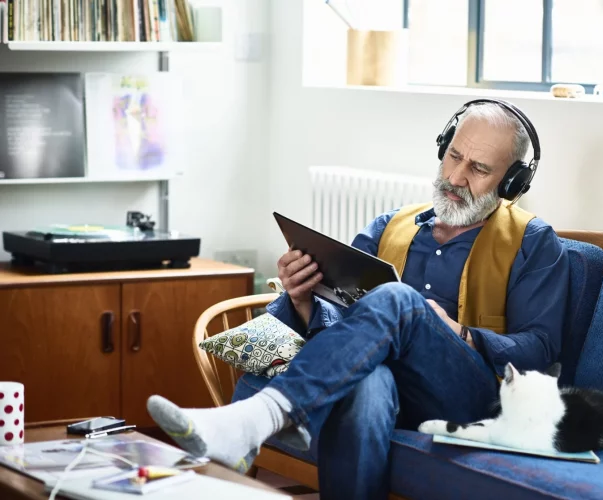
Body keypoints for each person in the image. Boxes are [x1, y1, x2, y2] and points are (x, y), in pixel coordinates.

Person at [146, 99, 571, 499]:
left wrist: (459, 331)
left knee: (399, 300)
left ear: (511, 183)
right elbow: (345, 321)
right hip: (384, 384)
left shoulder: (534, 243)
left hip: (469, 394)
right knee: (368, 383)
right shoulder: (390, 226)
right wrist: (302, 299)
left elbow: (540, 349)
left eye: (478, 168)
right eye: (454, 155)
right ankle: (267, 414)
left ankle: (262, 416)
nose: (457, 177)